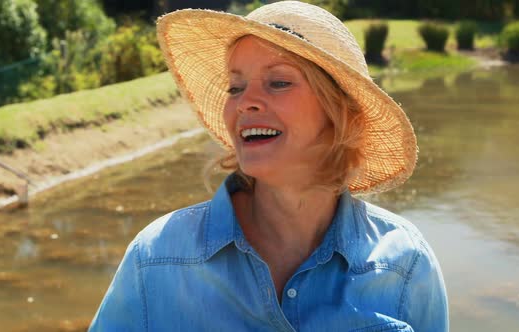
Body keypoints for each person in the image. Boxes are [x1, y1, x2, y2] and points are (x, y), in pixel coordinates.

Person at [89, 1, 448, 331]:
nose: (246, 102)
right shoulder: (157, 259)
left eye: (278, 82)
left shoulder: (405, 265)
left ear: (338, 113)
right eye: (235, 87)